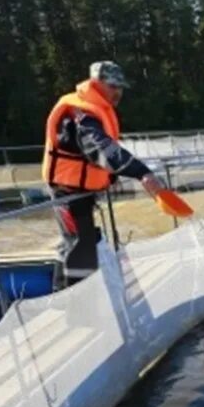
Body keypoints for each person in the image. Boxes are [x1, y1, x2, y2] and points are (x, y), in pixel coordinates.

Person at [42, 61, 168, 280]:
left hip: (81, 191)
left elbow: (96, 156)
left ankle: (74, 296)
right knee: (81, 246)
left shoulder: (94, 110)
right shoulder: (81, 115)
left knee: (80, 241)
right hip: (67, 192)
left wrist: (111, 177)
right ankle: (72, 301)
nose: (118, 92)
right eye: (113, 86)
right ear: (96, 84)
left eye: (120, 87)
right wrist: (143, 173)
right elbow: (103, 150)